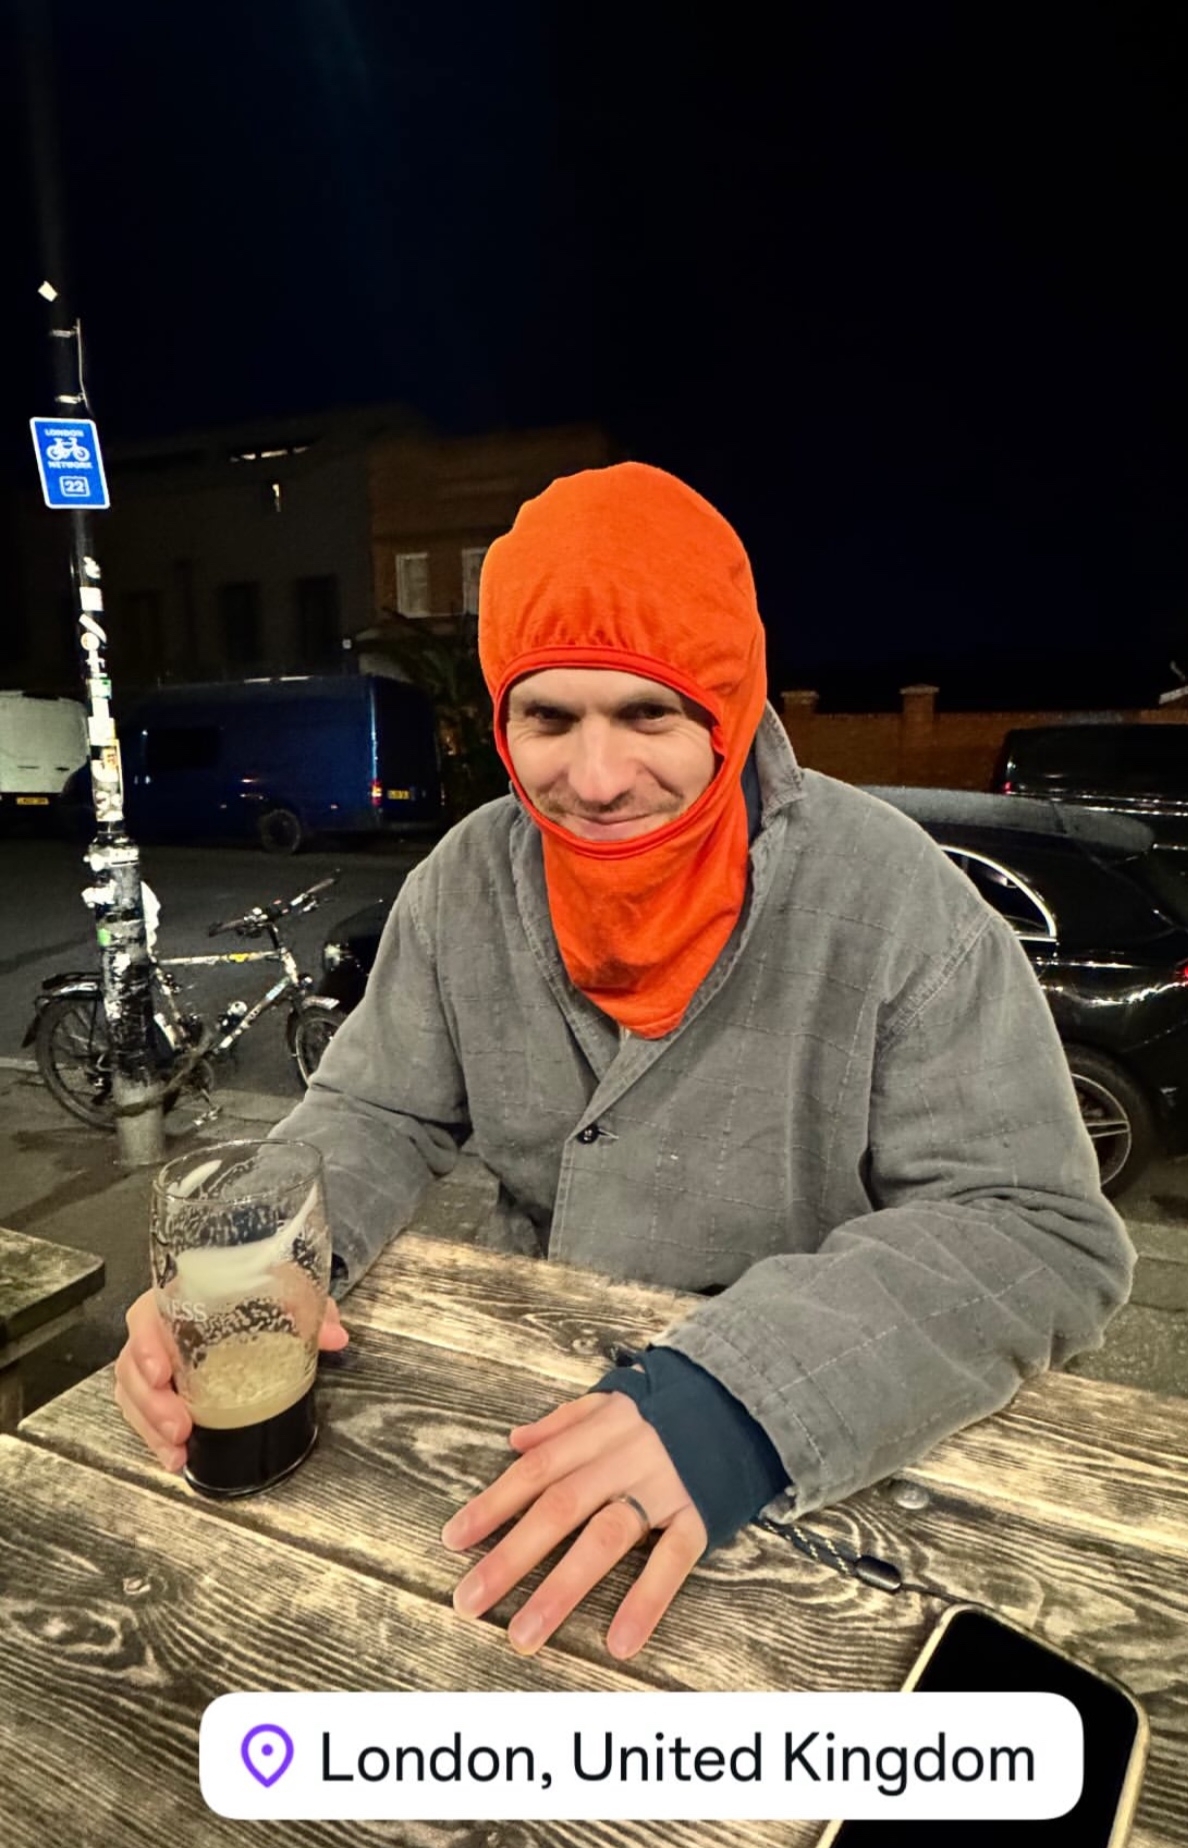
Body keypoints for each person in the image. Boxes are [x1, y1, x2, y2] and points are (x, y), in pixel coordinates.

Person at [115, 462, 1135, 1659]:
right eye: (549, 719)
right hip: (514, 1405)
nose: (594, 782)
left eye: (649, 713)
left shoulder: (897, 900)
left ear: (728, 703)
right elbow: (376, 1109)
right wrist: (250, 1268)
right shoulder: (464, 879)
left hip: (808, 1449)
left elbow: (1036, 1229)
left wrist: (745, 1404)